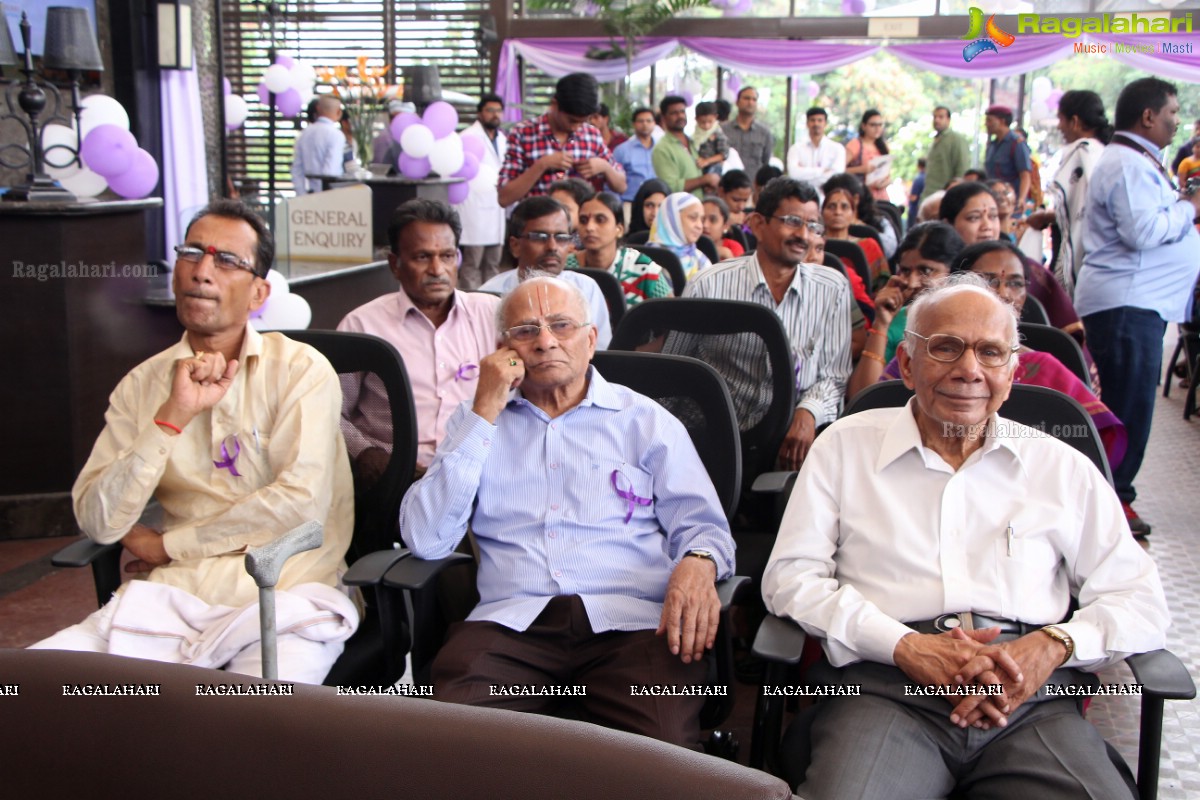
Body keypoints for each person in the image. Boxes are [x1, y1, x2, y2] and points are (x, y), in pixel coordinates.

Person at [762, 275, 1168, 800]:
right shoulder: (844, 448)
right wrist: (904, 645)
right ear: (907, 365)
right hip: (886, 690)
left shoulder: (1061, 468)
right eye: (946, 348)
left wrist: (1053, 644)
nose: (969, 371)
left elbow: (1141, 600)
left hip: (1029, 701)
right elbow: (790, 578)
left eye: (990, 352)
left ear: (1012, 370)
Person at [399, 275, 736, 749]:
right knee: (451, 749)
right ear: (504, 348)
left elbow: (704, 526)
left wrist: (698, 563)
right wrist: (484, 411)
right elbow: (425, 538)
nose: (546, 341)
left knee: (663, 762)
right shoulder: (477, 420)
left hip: (633, 625)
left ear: (591, 339)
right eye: (526, 331)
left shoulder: (645, 421)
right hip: (510, 625)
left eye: (561, 325)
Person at [30, 200, 358, 682]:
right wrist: (172, 416)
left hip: (285, 594)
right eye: (191, 253)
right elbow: (99, 521)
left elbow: (299, 505)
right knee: (31, 691)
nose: (202, 271)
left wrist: (170, 546)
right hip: (172, 598)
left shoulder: (300, 370)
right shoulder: (144, 385)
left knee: (249, 729)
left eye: (227, 261)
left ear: (258, 292)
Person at [1075, 77, 1200, 537]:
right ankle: (1113, 500)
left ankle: (1114, 494)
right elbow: (1143, 232)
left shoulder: (1138, 161)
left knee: (1131, 404)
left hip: (1136, 303)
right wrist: (1189, 206)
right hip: (1126, 303)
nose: (1176, 122)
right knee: (1128, 408)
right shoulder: (1127, 163)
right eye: (1171, 113)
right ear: (1148, 116)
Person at [669, 178, 852, 470]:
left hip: (790, 436)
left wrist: (808, 412)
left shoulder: (832, 288)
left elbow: (834, 375)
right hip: (712, 432)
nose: (803, 235)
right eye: (792, 222)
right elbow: (673, 368)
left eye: (813, 225)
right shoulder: (709, 283)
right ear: (757, 224)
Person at [338, 199, 500, 477]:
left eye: (447, 256)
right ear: (395, 264)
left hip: (480, 476)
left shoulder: (491, 314)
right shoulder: (362, 324)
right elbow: (329, 412)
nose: (437, 270)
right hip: (392, 478)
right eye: (422, 257)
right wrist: (366, 453)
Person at [479, 196, 613, 349]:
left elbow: (598, 353)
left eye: (561, 237)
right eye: (540, 237)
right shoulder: (488, 296)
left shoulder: (586, 289)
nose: (552, 247)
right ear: (515, 246)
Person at [848, 221, 964, 394]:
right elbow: (861, 394)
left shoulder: (970, 324)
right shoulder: (896, 319)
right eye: (905, 271)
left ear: (954, 272)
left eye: (926, 270)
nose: (912, 282)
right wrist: (881, 322)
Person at [1025, 90, 1113, 299]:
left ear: (1074, 121)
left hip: (1080, 261)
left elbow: (1080, 214)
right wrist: (1049, 216)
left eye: (1060, 119)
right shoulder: (1104, 151)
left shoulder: (1083, 153)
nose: (1059, 126)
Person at [497, 72, 625, 207]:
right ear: (554, 105)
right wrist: (541, 165)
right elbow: (504, 198)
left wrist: (605, 167)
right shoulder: (523, 134)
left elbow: (621, 186)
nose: (577, 127)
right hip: (537, 223)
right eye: (572, 121)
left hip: (581, 226)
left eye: (583, 122)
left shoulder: (591, 135)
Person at [567, 192, 672, 307]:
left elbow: (670, 313)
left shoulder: (642, 268)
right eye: (583, 220)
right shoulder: (567, 268)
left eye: (600, 220)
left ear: (619, 229)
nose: (589, 227)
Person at [455, 93, 508, 290]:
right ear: (480, 113)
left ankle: (492, 303)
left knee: (493, 263)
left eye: (498, 111)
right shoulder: (467, 137)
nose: (495, 115)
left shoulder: (503, 139)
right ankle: (470, 303)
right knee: (472, 264)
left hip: (496, 207)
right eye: (490, 110)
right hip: (474, 209)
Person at [821, 175, 887, 285]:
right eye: (831, 206)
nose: (838, 212)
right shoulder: (813, 246)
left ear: (853, 212)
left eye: (844, 207)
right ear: (822, 212)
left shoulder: (869, 245)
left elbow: (882, 287)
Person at [652, 95, 719, 198]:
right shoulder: (662, 149)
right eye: (674, 113)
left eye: (682, 112)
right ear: (663, 118)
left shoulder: (693, 142)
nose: (680, 116)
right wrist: (704, 179)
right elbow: (671, 187)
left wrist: (706, 184)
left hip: (700, 206)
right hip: (679, 210)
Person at [291, 95, 346, 195]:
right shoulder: (336, 135)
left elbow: (296, 169)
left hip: (309, 194)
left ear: (317, 108)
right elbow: (331, 171)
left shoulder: (304, 133)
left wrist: (301, 194)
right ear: (339, 112)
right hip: (329, 196)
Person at [649, 192, 712, 279]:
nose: (700, 226)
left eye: (701, 219)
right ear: (672, 219)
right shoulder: (650, 257)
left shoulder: (697, 257)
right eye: (693, 217)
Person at [984, 104, 1033, 213]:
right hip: (992, 200)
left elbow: (1025, 175)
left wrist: (1021, 199)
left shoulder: (1017, 143)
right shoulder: (992, 145)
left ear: (1002, 121)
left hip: (1010, 202)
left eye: (990, 120)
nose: (986, 124)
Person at [722, 86, 774, 186]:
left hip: (754, 188)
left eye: (754, 99)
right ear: (737, 102)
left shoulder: (764, 133)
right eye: (746, 98)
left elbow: (765, 164)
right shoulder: (723, 130)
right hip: (727, 188)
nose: (750, 102)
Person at [786, 106, 846, 192]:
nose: (816, 124)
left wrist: (804, 172)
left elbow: (836, 177)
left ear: (825, 123)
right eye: (812, 120)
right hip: (803, 199)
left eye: (820, 120)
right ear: (807, 123)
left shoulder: (837, 149)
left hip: (827, 198)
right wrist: (822, 171)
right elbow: (794, 174)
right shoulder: (796, 149)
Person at [921, 106, 972, 203]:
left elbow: (962, 169)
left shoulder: (956, 139)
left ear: (948, 120)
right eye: (935, 117)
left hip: (946, 195)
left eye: (941, 117)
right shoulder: (936, 140)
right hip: (930, 193)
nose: (937, 120)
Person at [612, 107, 658, 212]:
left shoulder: (661, 150)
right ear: (634, 124)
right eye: (641, 121)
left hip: (656, 206)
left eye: (649, 121)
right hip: (630, 204)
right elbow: (611, 182)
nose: (645, 124)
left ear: (654, 123)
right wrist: (616, 207)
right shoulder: (622, 150)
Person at [844, 109, 892, 203]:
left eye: (880, 125)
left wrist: (885, 182)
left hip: (881, 197)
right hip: (861, 197)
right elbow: (839, 169)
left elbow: (888, 175)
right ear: (863, 126)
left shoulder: (883, 146)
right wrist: (861, 169)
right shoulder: (855, 144)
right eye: (873, 125)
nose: (877, 128)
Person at [371, 99, 415, 168]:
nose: (398, 122)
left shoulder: (418, 141)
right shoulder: (382, 140)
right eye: (394, 118)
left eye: (403, 118)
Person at [701, 195, 744, 262]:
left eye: (713, 220)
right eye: (702, 219)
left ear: (725, 225)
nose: (705, 225)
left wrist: (728, 256)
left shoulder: (733, 247)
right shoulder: (689, 247)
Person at [693, 101, 730, 176]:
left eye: (710, 122)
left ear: (716, 117)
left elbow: (724, 154)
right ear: (696, 119)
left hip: (713, 167)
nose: (706, 126)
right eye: (703, 122)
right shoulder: (695, 135)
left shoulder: (717, 134)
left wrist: (707, 161)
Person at [906, 158, 926, 226]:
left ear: (918, 166)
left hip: (915, 211)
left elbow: (913, 197)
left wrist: (908, 195)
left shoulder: (918, 179)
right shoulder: (929, 179)